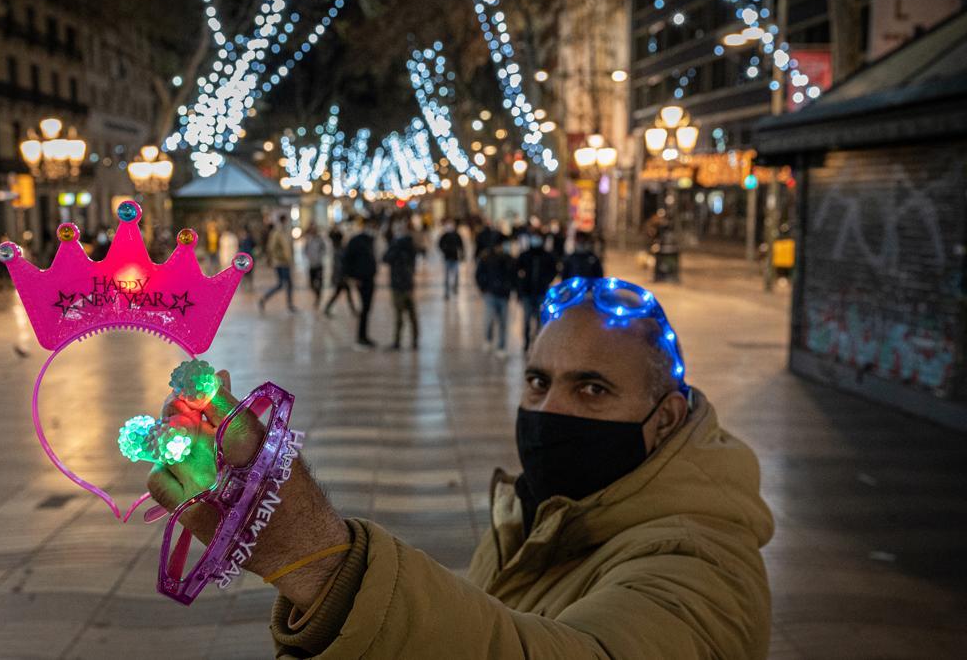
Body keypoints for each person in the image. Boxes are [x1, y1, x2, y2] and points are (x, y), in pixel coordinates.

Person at [147, 277, 773, 659]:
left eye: (592, 389)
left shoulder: (702, 564)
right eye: (537, 381)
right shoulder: (541, 516)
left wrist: (321, 560)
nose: (549, 409)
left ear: (664, 419)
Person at [515, 233, 558, 354]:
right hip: (527, 293)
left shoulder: (547, 256)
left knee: (540, 320)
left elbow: (554, 270)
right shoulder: (525, 255)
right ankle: (527, 342)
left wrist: (546, 280)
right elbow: (516, 271)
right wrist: (520, 287)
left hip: (541, 292)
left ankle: (538, 343)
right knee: (527, 319)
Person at [382, 218, 418, 350]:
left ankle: (407, 341)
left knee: (407, 314)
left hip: (402, 283)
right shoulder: (401, 244)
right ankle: (402, 341)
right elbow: (386, 258)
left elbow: (387, 258)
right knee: (405, 315)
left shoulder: (403, 245)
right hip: (402, 282)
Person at [475, 243, 516, 358]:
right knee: (488, 320)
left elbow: (514, 276)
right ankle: (488, 339)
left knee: (503, 322)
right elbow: (478, 274)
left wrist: (512, 287)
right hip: (490, 294)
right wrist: (483, 288)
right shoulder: (486, 258)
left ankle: (501, 347)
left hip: (504, 295)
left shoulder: (509, 259)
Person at [342, 218, 378, 347]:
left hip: (369, 278)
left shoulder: (370, 241)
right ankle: (361, 337)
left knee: (367, 308)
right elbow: (346, 260)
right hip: (361, 280)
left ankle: (363, 336)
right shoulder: (356, 241)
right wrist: (353, 277)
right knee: (365, 308)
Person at [259, 220, 297, 313]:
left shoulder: (278, 233)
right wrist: (285, 258)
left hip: (281, 262)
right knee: (284, 284)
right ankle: (288, 304)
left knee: (283, 284)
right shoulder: (279, 234)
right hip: (282, 263)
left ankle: (265, 299)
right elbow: (276, 248)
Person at [322, 224, 357, 318]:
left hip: (340, 276)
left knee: (339, 293)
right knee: (340, 294)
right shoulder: (339, 250)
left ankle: (327, 308)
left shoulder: (337, 250)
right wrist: (344, 275)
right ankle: (353, 310)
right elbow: (340, 265)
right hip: (341, 277)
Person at [437, 219, 465, 299]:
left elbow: (461, 245)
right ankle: (446, 292)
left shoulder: (456, 235)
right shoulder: (444, 235)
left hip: (455, 258)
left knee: (456, 274)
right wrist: (444, 250)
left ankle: (455, 288)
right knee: (446, 276)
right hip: (447, 258)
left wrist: (462, 254)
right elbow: (439, 244)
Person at [302, 224, 327, 309]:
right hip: (311, 265)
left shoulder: (320, 240)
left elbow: (324, 250)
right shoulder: (308, 240)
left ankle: (318, 298)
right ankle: (317, 295)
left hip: (319, 265)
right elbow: (305, 250)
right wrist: (308, 257)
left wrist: (319, 257)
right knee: (311, 284)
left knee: (319, 283)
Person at [238, 224, 257, 291]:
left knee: (245, 272)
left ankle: (247, 286)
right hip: (248, 256)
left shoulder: (244, 238)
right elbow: (254, 245)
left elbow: (240, 247)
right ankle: (248, 286)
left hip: (246, 257)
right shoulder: (249, 237)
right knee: (247, 272)